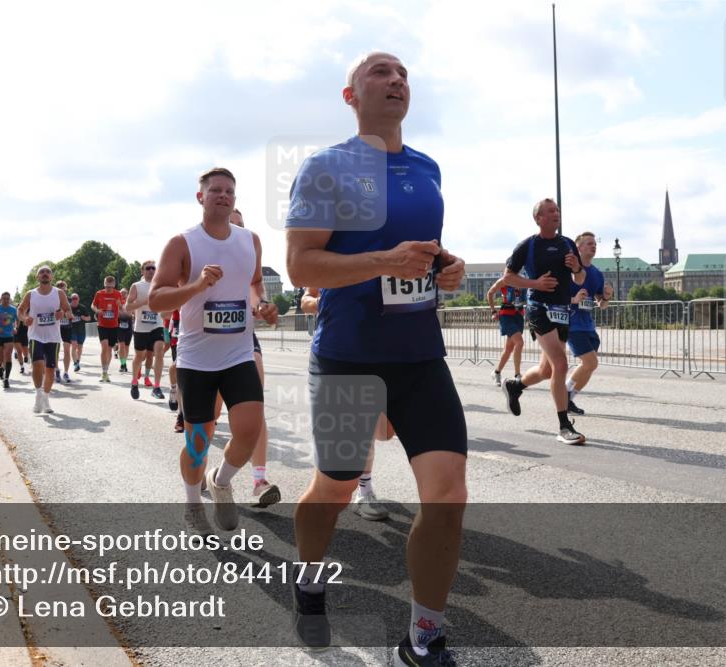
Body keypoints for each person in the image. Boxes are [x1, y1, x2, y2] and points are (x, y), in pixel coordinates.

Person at [285, 52, 468, 663]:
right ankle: (309, 577)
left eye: (404, 74)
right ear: (350, 94)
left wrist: (448, 270)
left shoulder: (428, 168)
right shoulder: (326, 167)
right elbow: (302, 265)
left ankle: (423, 638)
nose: (396, 81)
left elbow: (427, 255)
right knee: (334, 490)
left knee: (448, 493)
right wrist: (384, 261)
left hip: (420, 356)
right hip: (348, 356)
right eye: (380, 73)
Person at [149, 167, 279, 535]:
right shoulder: (182, 243)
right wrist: (197, 285)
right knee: (198, 443)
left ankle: (221, 481)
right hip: (196, 359)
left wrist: (262, 305)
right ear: (200, 198)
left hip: (238, 353)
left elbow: (254, 284)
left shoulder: (250, 240)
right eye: (216, 190)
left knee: (250, 429)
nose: (223, 196)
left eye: (229, 192)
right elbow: (158, 299)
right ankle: (192, 504)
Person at [500, 198, 587, 445]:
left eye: (557, 210)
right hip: (539, 309)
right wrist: (535, 284)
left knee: (547, 370)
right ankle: (563, 426)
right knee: (561, 365)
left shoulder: (568, 244)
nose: (556, 214)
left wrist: (576, 269)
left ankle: (515, 386)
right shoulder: (527, 246)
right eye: (550, 211)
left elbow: (579, 279)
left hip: (562, 310)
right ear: (539, 218)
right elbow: (508, 278)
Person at [300, 287, 390, 521]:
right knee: (363, 427)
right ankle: (363, 491)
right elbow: (305, 300)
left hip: (389, 349)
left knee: (384, 431)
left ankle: (332, 484)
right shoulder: (327, 254)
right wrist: (323, 302)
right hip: (341, 352)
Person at [228, 208, 281, 508]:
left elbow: (256, 291)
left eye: (242, 226)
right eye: (231, 225)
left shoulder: (250, 260)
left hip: (244, 339)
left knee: (255, 407)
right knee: (207, 420)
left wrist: (263, 306)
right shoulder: (196, 251)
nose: (238, 232)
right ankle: (210, 477)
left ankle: (259, 481)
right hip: (206, 347)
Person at [565, 231, 614, 416]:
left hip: (588, 326)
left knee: (591, 366)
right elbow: (558, 297)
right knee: (590, 362)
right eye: (589, 243)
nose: (593, 246)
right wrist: (574, 299)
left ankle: (569, 398)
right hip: (572, 325)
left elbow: (601, 304)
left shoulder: (596, 274)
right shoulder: (568, 271)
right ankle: (564, 392)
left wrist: (607, 296)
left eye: (594, 244)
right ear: (578, 248)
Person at [18, 265, 71, 414]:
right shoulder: (31, 294)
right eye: (42, 272)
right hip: (36, 335)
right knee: (38, 364)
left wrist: (63, 313)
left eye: (48, 272)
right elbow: (20, 310)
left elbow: (67, 309)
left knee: (50, 369)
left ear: (52, 277)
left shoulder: (59, 293)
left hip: (53, 337)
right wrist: (24, 318)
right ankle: (38, 393)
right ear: (37, 277)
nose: (45, 274)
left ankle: (45, 398)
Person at [127, 261, 168, 400]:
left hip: (157, 325)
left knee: (159, 352)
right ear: (142, 271)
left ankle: (156, 386)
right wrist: (143, 302)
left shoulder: (160, 285)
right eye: (148, 268)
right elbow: (128, 307)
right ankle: (134, 382)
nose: (151, 270)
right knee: (139, 356)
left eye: (153, 268)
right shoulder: (136, 286)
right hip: (141, 327)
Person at [486, 278, 525, 386]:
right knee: (519, 343)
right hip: (506, 316)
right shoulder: (503, 281)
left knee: (509, 348)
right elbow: (490, 293)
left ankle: (496, 372)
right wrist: (493, 311)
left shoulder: (522, 280)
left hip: (518, 316)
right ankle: (517, 375)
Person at [91, 276, 125, 382]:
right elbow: (93, 305)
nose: (108, 289)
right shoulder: (99, 293)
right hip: (102, 324)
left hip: (113, 325)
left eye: (110, 287)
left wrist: (121, 307)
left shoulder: (117, 294)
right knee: (104, 346)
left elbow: (121, 307)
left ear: (114, 285)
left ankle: (106, 371)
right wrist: (97, 311)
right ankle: (103, 371)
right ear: (104, 284)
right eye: (107, 286)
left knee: (110, 349)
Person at [0, 292, 19, 389]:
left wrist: (15, 327)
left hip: (8, 335)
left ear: (9, 299)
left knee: (8, 356)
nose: (6, 300)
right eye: (4, 298)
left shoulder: (13, 309)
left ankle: (6, 379)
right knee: (1, 358)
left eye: (7, 299)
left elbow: (18, 320)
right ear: (1, 299)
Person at [66, 293, 91, 373]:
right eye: (73, 298)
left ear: (78, 299)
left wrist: (84, 318)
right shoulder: (68, 308)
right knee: (74, 345)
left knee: (79, 348)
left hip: (81, 330)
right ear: (71, 300)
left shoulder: (82, 308)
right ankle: (75, 363)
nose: (74, 300)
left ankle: (77, 362)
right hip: (72, 330)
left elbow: (89, 318)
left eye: (76, 298)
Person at [55, 280, 73, 384]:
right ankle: (57, 370)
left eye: (64, 289)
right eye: (60, 289)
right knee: (55, 351)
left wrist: (68, 314)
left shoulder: (69, 300)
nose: (63, 291)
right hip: (55, 328)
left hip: (67, 327)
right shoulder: (52, 299)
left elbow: (71, 314)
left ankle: (66, 372)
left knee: (67, 350)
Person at [116, 287, 134, 374]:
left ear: (127, 294)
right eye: (121, 293)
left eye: (125, 293)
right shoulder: (117, 302)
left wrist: (124, 312)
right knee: (121, 345)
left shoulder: (130, 302)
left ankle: (124, 362)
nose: (123, 294)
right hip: (119, 326)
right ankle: (123, 364)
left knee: (126, 347)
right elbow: (119, 313)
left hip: (129, 326)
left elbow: (131, 313)